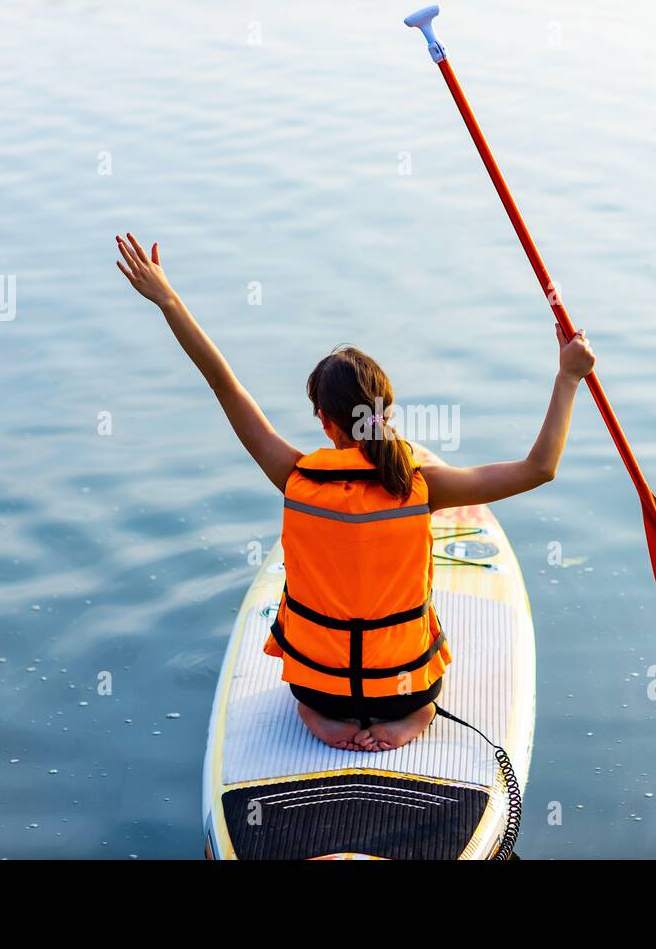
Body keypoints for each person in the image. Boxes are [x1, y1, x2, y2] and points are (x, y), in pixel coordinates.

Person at [115, 233, 595, 751]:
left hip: (320, 690)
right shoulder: (420, 485)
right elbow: (539, 468)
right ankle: (417, 716)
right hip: (405, 691)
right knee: (416, 675)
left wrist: (169, 300)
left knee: (312, 681)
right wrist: (568, 377)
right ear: (387, 413)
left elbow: (224, 385)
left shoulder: (294, 475)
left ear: (324, 422)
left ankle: (321, 719)